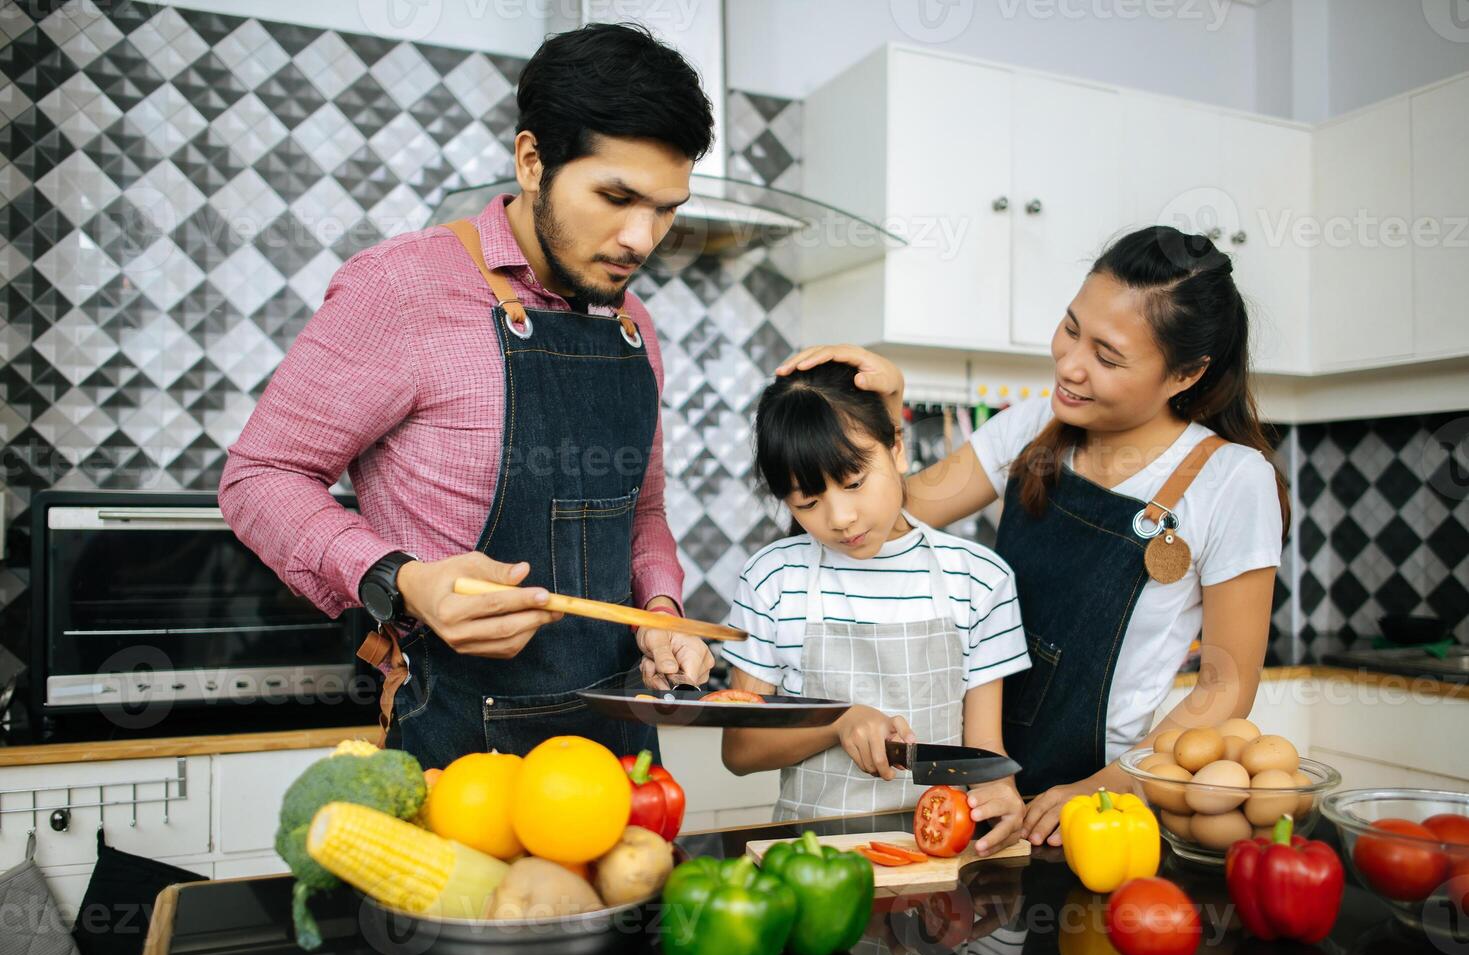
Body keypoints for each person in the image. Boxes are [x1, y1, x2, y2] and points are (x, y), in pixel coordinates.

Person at [219, 23, 717, 769]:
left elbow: (641, 514)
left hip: (621, 760)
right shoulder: (402, 288)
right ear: (530, 160)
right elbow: (258, 478)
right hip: (460, 752)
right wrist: (403, 579)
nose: (641, 238)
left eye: (666, 208)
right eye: (616, 197)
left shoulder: (631, 325)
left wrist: (660, 612)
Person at [778, 227, 1288, 847]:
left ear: (1186, 374)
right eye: (1072, 329)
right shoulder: (1034, 425)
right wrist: (890, 411)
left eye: (1107, 356)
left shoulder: (1231, 480)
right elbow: (889, 514)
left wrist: (1101, 790)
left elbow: (1227, 687)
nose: (1070, 365)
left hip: (1094, 810)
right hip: (971, 782)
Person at [720, 363, 1030, 855]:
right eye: (808, 502)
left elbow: (985, 754)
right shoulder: (774, 579)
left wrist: (999, 794)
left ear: (897, 449)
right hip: (809, 863)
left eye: (855, 481)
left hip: (935, 857)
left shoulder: (980, 579)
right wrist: (838, 721)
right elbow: (740, 749)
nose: (840, 518)